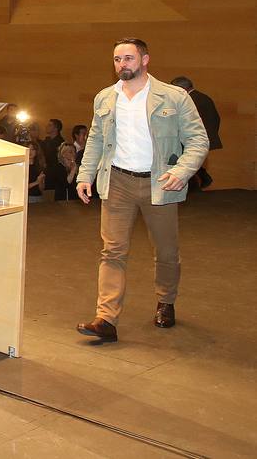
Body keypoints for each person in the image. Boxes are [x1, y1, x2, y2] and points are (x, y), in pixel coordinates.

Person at [75, 38, 209, 343]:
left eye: (129, 58)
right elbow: (96, 139)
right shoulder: (105, 98)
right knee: (112, 251)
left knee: (166, 251)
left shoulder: (174, 97)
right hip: (118, 182)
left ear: (145, 60)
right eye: (117, 59)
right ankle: (105, 318)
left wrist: (182, 171)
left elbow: (199, 140)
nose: (123, 64)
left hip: (159, 183)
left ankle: (166, 300)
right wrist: (86, 174)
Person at [169, 75, 219, 190]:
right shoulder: (202, 97)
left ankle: (197, 183)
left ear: (181, 89)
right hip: (204, 136)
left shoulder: (190, 100)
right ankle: (201, 178)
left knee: (185, 161)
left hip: (195, 139)